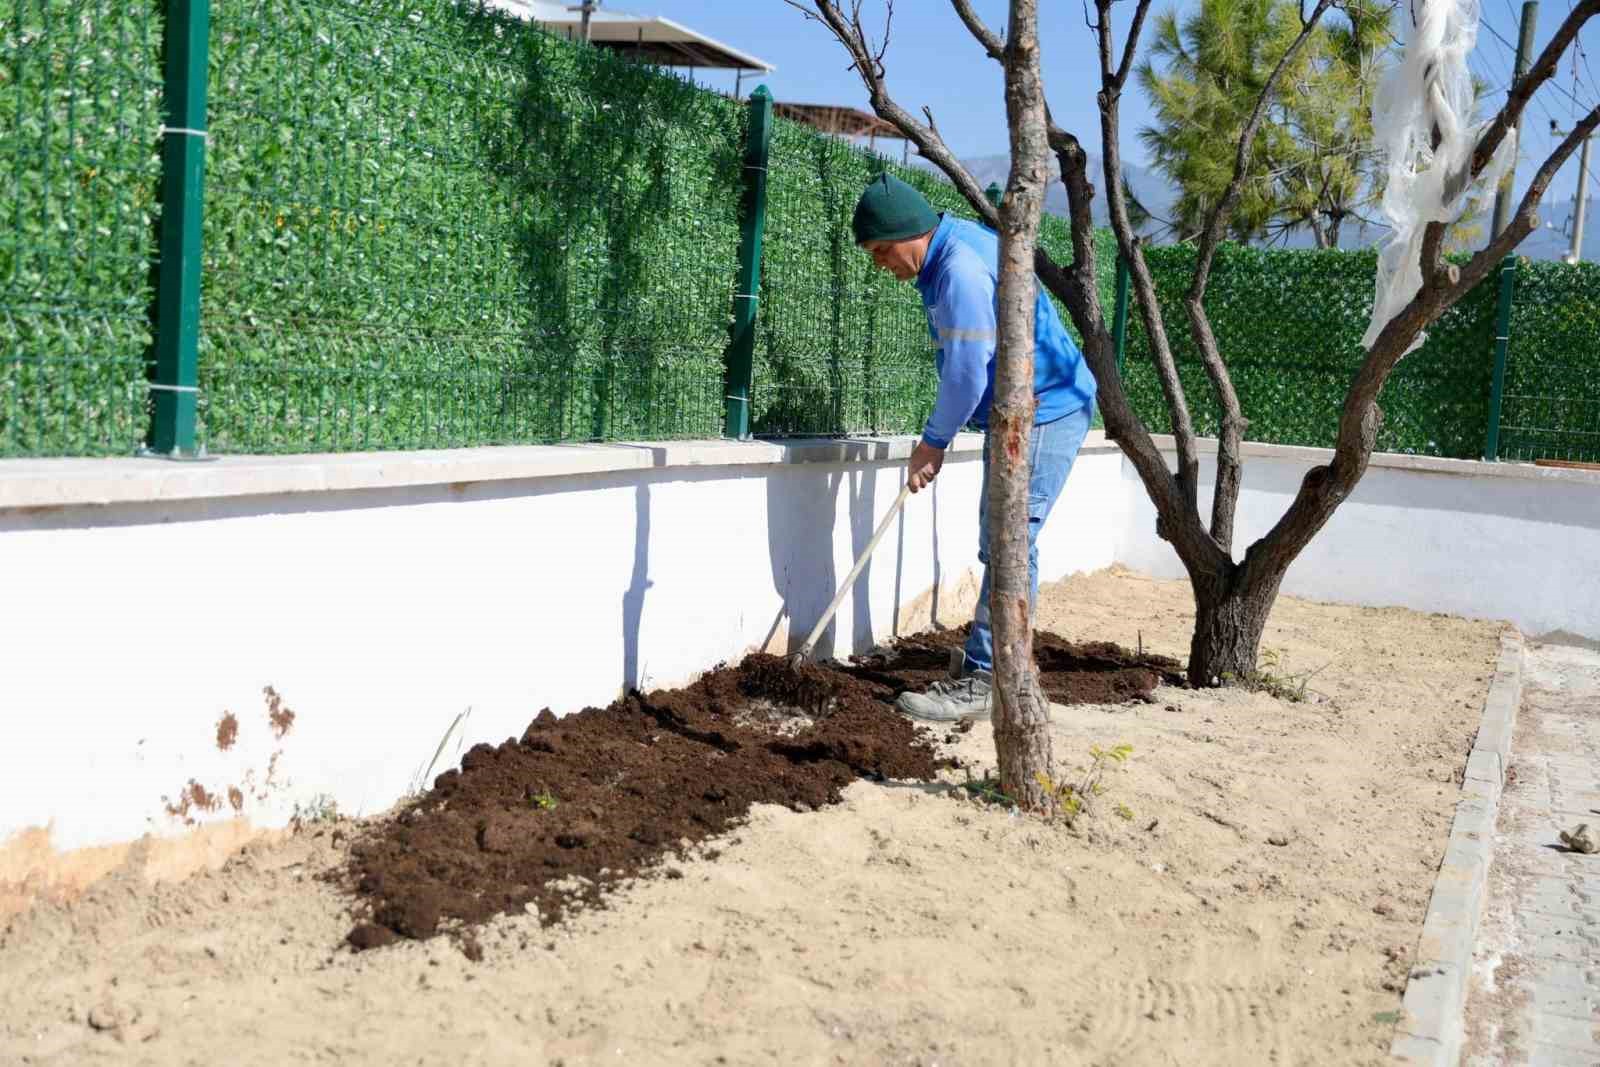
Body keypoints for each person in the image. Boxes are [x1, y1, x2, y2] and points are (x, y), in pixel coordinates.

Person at [851, 173, 1097, 721]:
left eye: (883, 251)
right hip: (1021, 410)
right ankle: (991, 665)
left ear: (913, 233)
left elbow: (966, 375)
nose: (881, 264)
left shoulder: (959, 271)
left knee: (1010, 542)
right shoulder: (951, 249)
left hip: (1045, 410)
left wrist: (932, 443)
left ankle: (990, 679)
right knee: (1001, 537)